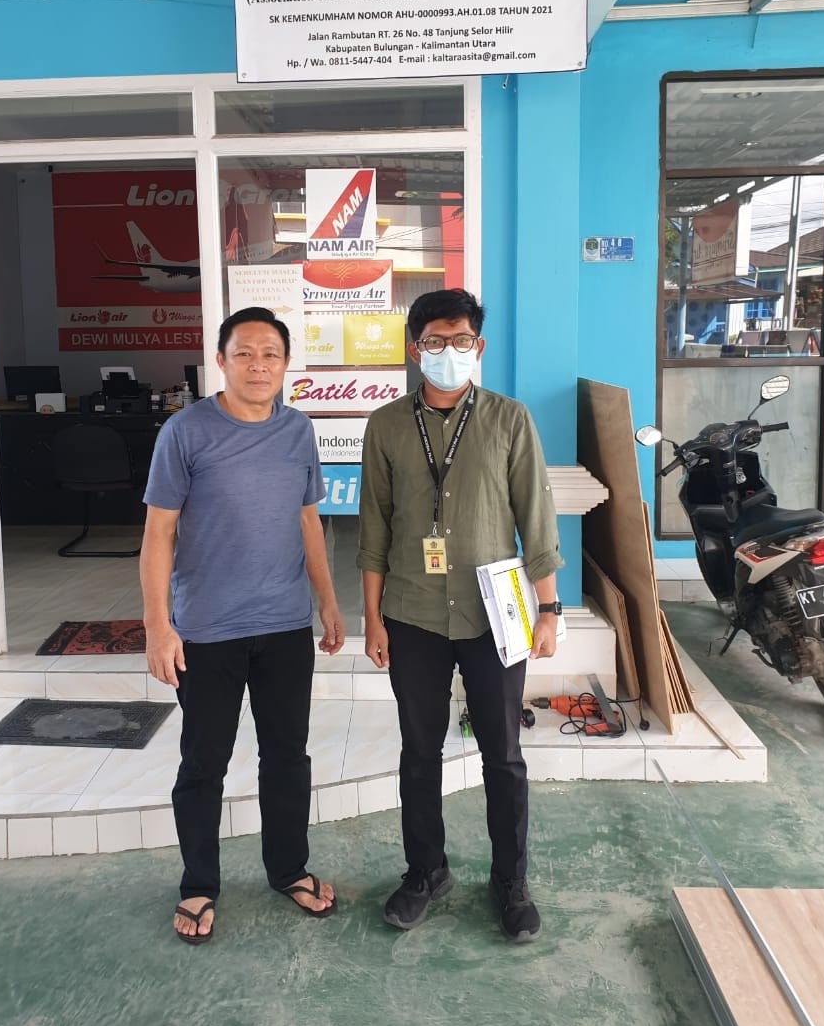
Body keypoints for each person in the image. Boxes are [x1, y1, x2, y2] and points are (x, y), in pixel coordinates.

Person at [357, 288, 563, 944]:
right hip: (412, 613)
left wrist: (550, 609)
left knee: (503, 754)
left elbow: (536, 519)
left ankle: (511, 881)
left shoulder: (509, 419)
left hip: (493, 616)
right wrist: (372, 619)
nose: (449, 352)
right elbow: (373, 528)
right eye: (435, 342)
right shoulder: (386, 426)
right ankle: (426, 872)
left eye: (461, 340)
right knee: (419, 752)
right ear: (414, 349)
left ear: (480, 346)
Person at [141, 306, 345, 945]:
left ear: (286, 363)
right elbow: (158, 532)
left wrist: (328, 601)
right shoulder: (185, 432)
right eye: (245, 353)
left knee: (287, 756)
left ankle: (288, 869)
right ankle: (199, 883)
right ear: (221, 360)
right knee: (205, 762)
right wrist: (157, 626)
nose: (259, 365)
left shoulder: (297, 430)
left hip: (284, 625)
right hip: (207, 631)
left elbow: (307, 520)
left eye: (271, 354)